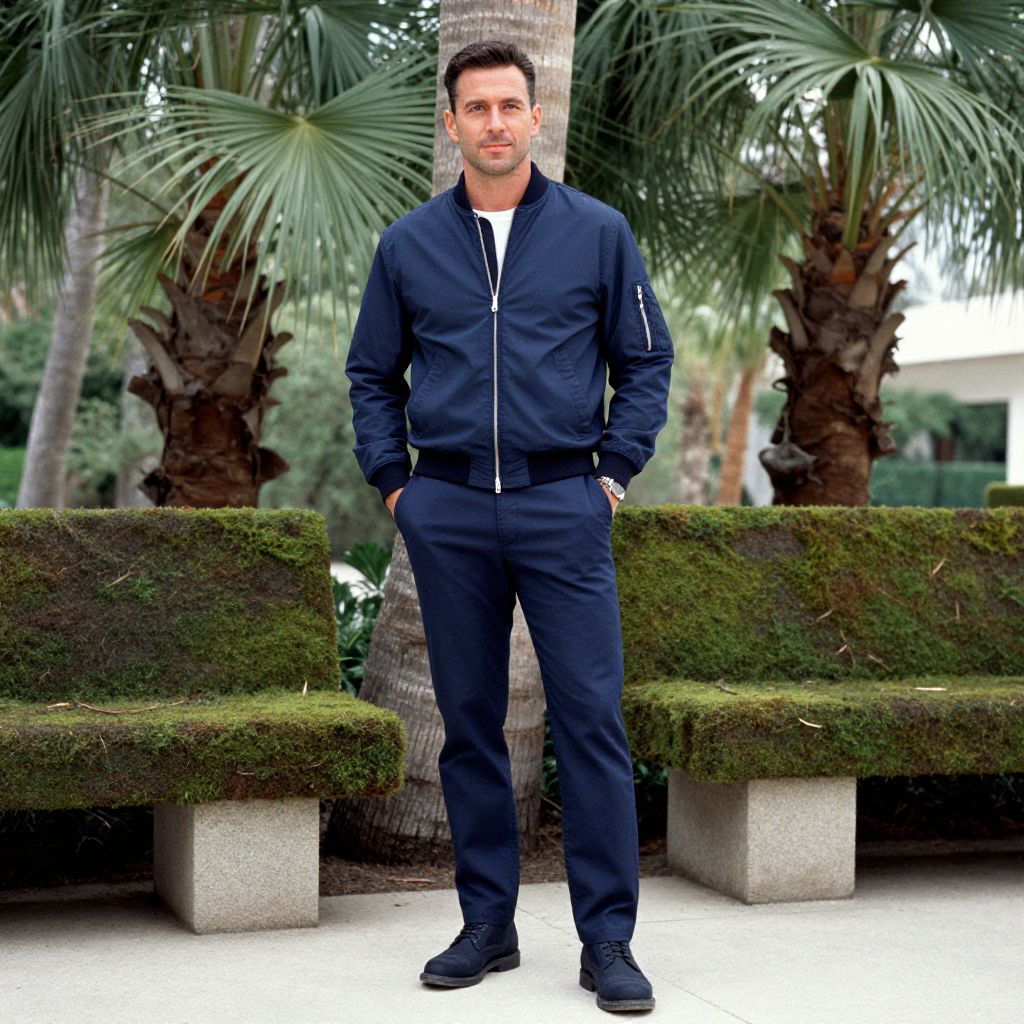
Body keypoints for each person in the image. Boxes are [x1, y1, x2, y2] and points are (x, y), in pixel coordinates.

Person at [344, 38, 673, 1014]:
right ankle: (486, 924)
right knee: (470, 726)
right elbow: (371, 375)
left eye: (508, 107)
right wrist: (397, 485)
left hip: (559, 503)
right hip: (445, 507)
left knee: (590, 719)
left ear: (536, 119)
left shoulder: (598, 233)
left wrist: (611, 473)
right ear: (451, 124)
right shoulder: (408, 245)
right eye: (475, 107)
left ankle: (606, 939)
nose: (493, 122)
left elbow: (645, 362)